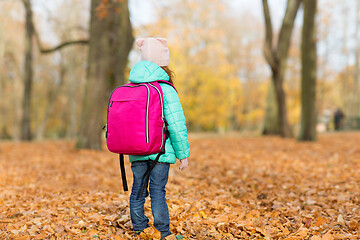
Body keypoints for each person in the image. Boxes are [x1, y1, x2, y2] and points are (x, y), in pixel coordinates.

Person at [128, 37, 190, 240]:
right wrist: (183, 155)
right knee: (157, 192)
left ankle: (139, 229)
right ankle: (163, 233)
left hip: (136, 150)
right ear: (163, 61)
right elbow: (176, 124)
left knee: (137, 190)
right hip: (161, 152)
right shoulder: (166, 89)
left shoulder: (131, 86)